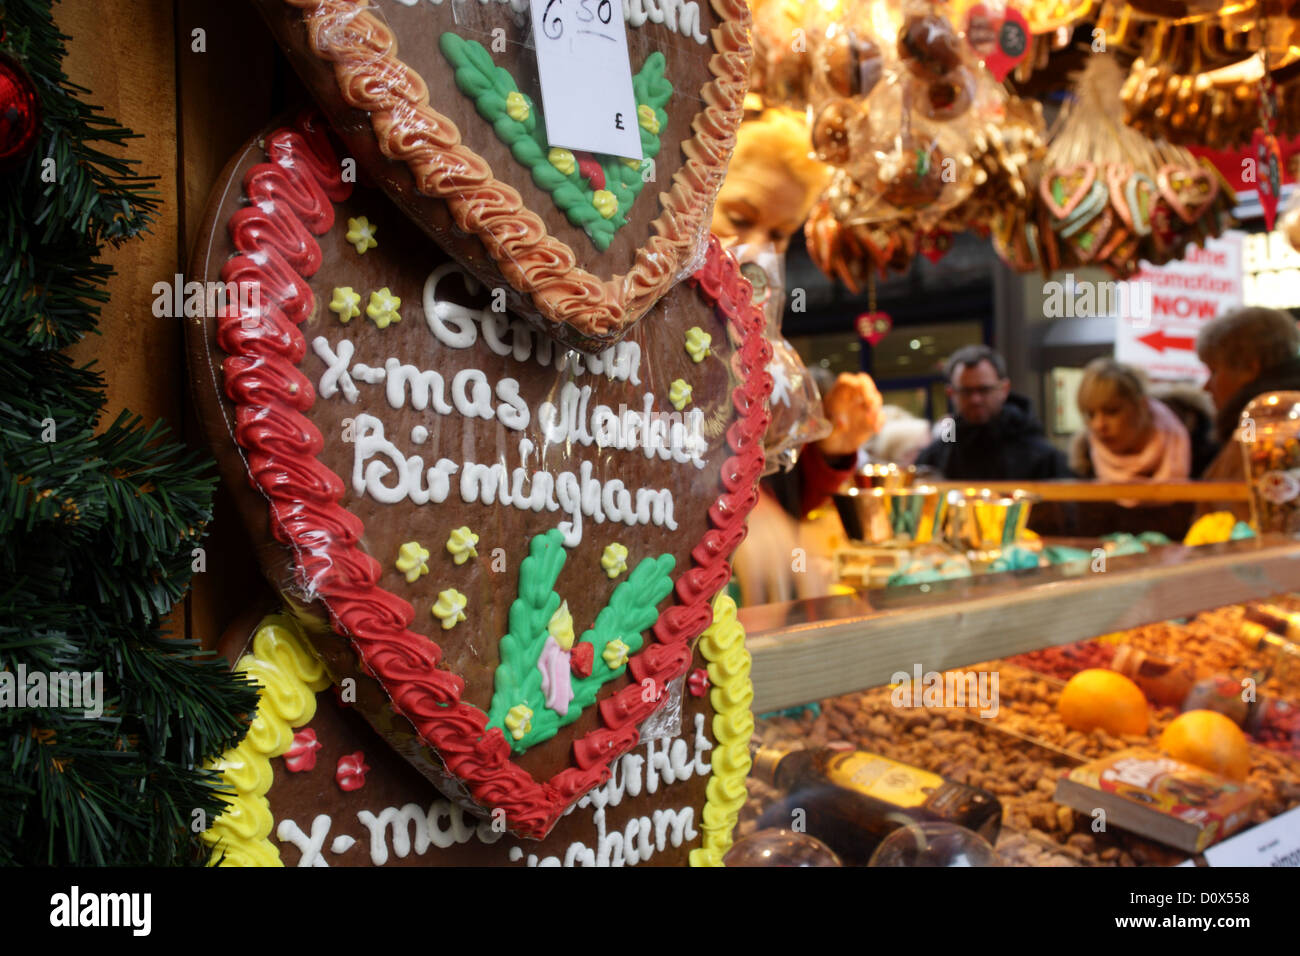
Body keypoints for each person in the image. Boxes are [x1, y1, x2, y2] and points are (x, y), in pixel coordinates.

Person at [914, 344, 1073, 481]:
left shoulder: (1043, 457)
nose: (975, 399)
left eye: (984, 390)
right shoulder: (935, 457)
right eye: (966, 391)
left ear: (1004, 389)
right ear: (951, 393)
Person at [1197, 306, 1300, 484]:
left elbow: (1237, 506)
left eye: (1214, 371)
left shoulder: (1261, 429)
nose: (1205, 387)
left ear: (1250, 368)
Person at [1068, 358, 1191, 481]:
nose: (1098, 425)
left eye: (1112, 411)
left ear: (1142, 406)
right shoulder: (1084, 466)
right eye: (1090, 415)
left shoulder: (1196, 450)